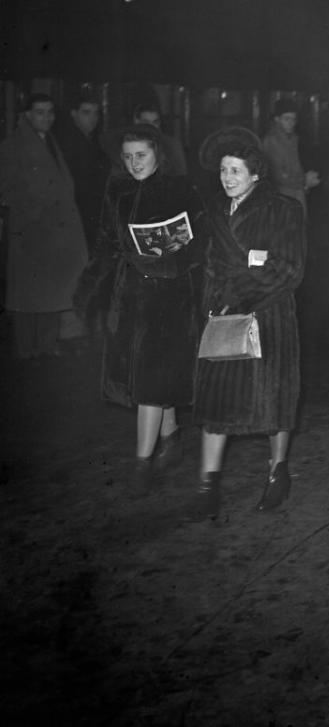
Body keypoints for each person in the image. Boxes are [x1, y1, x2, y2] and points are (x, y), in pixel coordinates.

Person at [73, 125, 206, 494]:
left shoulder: (179, 188)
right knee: (153, 375)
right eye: (128, 157)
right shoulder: (117, 189)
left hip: (170, 297)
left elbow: (201, 241)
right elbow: (106, 244)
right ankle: (172, 436)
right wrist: (87, 288)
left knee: (150, 380)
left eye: (141, 155)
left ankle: (142, 464)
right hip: (131, 295)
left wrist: (176, 263)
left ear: (157, 154)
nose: (134, 163)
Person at [187, 140, 306, 520]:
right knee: (215, 399)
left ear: (255, 174)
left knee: (273, 399)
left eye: (235, 170)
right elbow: (207, 263)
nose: (227, 178)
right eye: (223, 170)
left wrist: (240, 293)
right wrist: (212, 301)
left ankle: (277, 473)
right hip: (222, 315)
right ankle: (206, 487)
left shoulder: (283, 210)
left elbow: (289, 270)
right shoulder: (214, 211)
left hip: (267, 317)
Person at [0, 93, 88, 359]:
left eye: (50, 112)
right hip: (31, 233)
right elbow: (5, 188)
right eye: (40, 112)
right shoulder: (12, 145)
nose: (46, 118)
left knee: (51, 292)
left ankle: (46, 348)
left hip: (52, 234)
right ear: (26, 115)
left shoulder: (50, 141)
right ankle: (28, 352)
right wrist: (36, 210)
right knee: (28, 296)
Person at [54, 92, 111, 255]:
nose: (93, 118)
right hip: (77, 215)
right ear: (74, 114)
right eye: (86, 112)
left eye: (96, 113)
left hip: (89, 214)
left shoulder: (92, 140)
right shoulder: (69, 143)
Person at [261, 98, 320, 215]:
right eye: (286, 119)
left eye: (293, 119)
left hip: (297, 193)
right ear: (277, 119)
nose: (291, 123)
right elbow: (278, 177)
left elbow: (297, 166)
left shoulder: (294, 138)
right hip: (281, 197)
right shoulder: (271, 141)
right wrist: (304, 181)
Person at [131, 103, 189, 177]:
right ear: (136, 121)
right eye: (146, 123)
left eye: (155, 122)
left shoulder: (172, 145)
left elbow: (181, 177)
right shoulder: (126, 144)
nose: (151, 127)